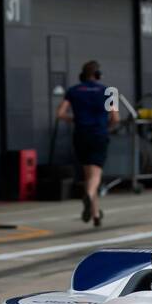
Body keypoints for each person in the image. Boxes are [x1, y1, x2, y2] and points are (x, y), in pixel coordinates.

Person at [55, 60, 117, 226]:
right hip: (99, 135)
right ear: (98, 75)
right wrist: (107, 127)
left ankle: (95, 214)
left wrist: (75, 119)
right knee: (96, 175)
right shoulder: (109, 91)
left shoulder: (73, 91)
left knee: (88, 174)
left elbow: (60, 113)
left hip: (81, 135)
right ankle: (89, 196)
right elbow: (115, 118)